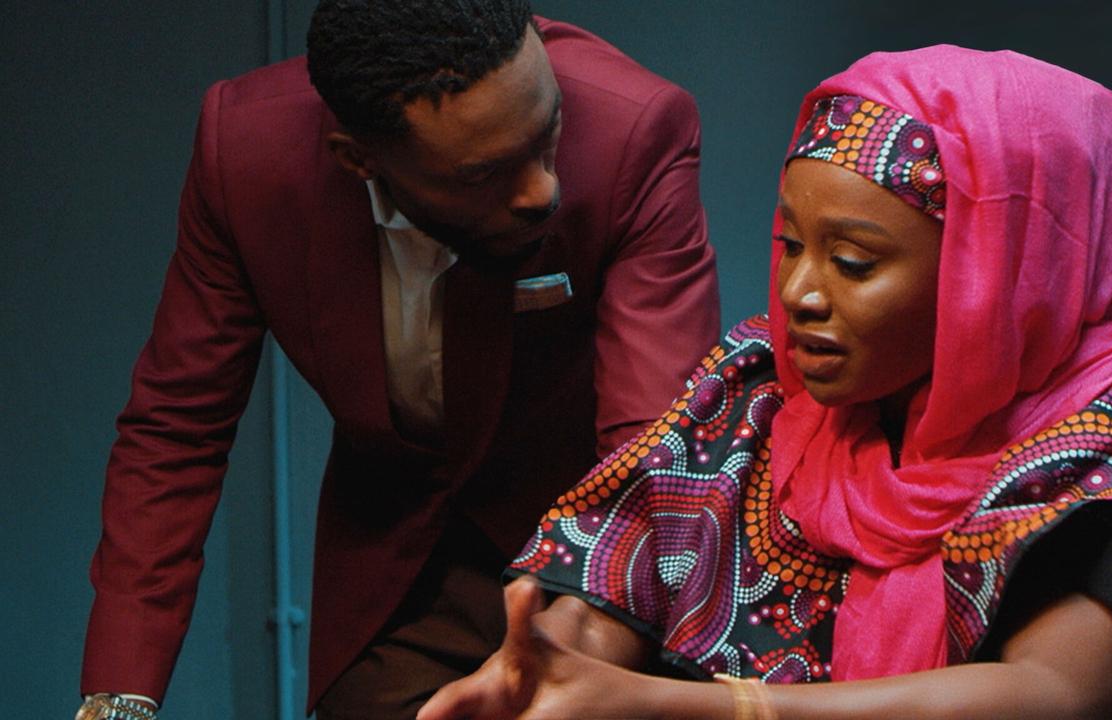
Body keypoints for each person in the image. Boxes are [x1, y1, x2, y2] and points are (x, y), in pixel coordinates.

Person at [417, 45, 1112, 719]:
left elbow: (1053, 693)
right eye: (791, 245)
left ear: (996, 274)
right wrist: (552, 667)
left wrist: (700, 708)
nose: (799, 292)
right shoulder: (761, 388)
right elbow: (622, 571)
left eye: (854, 262)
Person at [77, 1, 720, 718]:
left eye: (549, 132)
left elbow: (651, 452)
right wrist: (118, 701)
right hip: (393, 577)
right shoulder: (247, 157)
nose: (543, 190)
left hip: (598, 564)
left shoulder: (634, 129)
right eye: (484, 174)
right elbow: (177, 431)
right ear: (359, 159)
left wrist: (583, 644)